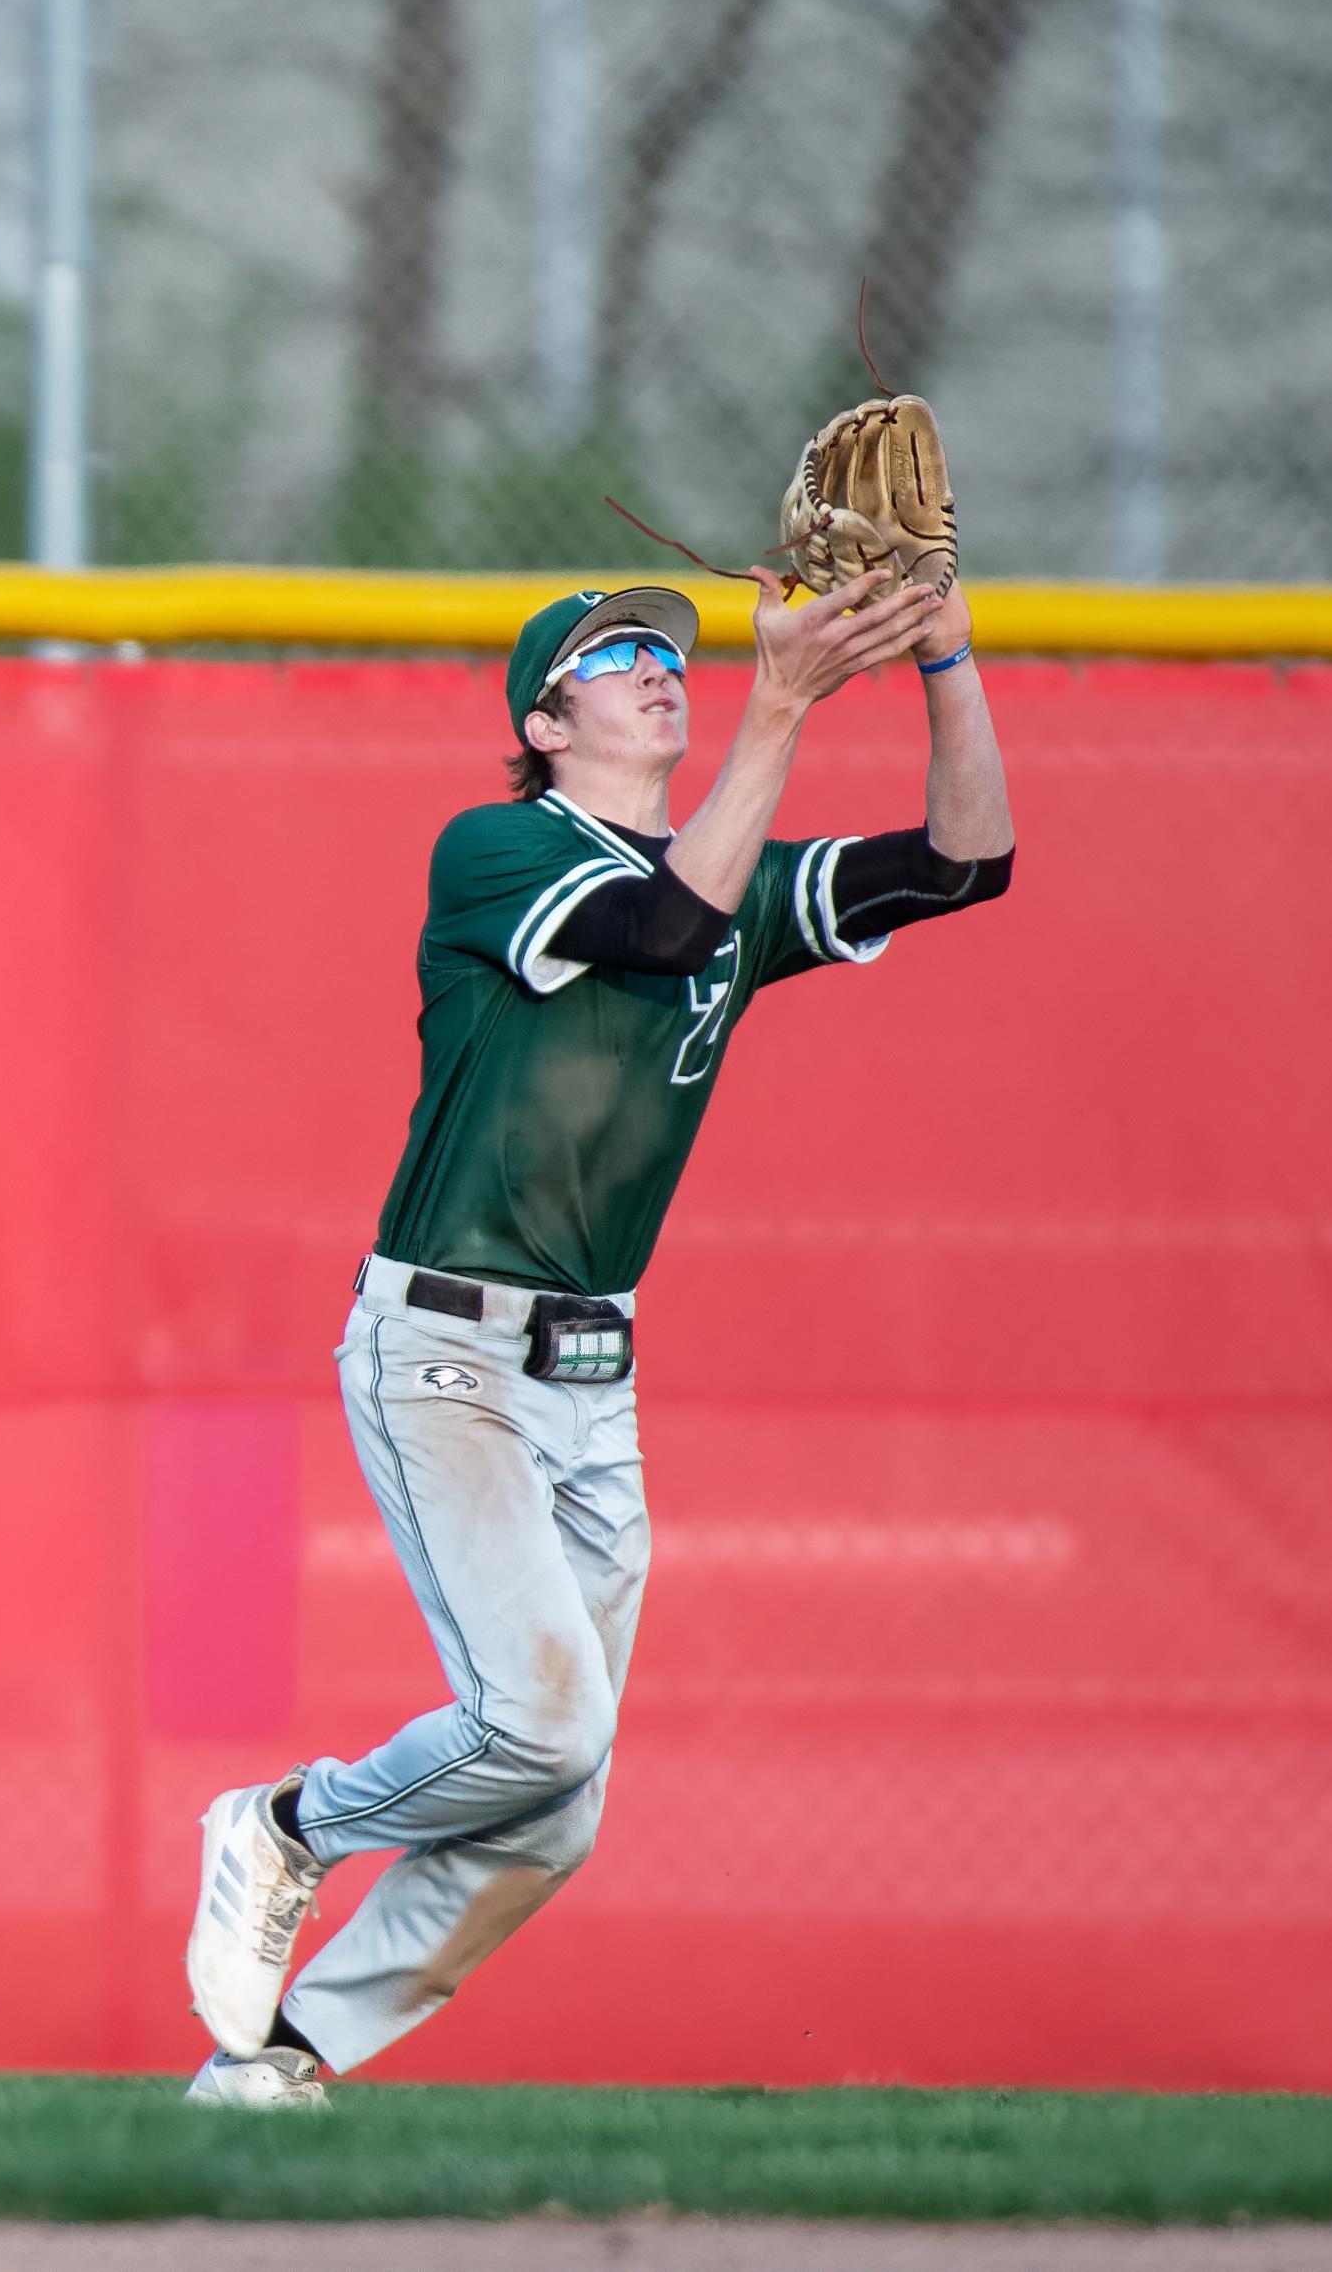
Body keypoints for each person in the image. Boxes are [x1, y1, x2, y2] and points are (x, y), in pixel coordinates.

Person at [184, 561, 1015, 2105]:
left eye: (668, 652)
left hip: (593, 1377)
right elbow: (652, 924)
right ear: (545, 720)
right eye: (616, 654)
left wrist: (943, 664)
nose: (659, 668)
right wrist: (784, 700)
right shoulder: (499, 848)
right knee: (545, 1727)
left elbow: (971, 863)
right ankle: (287, 1826)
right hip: (445, 1351)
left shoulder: (737, 878)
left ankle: (283, 2067)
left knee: (556, 1807)